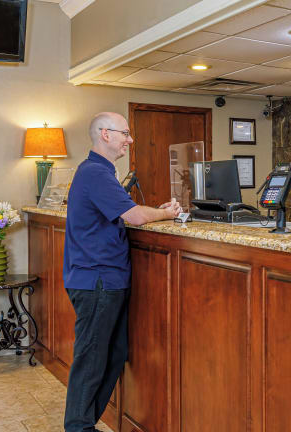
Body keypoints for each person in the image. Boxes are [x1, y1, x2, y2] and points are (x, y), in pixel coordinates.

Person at [63, 112, 182, 432]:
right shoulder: (95, 173)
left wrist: (155, 212)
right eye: (125, 134)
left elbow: (125, 213)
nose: (130, 140)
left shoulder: (100, 171)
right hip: (97, 280)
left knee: (114, 355)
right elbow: (135, 217)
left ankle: (84, 424)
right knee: (91, 360)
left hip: (106, 279)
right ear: (105, 134)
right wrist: (167, 213)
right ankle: (78, 427)